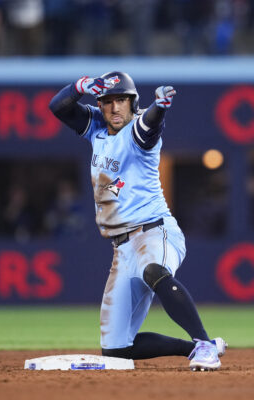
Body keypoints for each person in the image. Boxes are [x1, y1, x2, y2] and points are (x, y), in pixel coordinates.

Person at [49, 71, 227, 371]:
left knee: (153, 269)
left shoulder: (137, 127)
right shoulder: (97, 126)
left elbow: (150, 126)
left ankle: (204, 342)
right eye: (107, 101)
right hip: (122, 248)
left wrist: (160, 106)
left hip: (155, 231)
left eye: (121, 100)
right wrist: (80, 86)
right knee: (116, 349)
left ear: (133, 103)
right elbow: (59, 107)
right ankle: (193, 348)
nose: (114, 107)